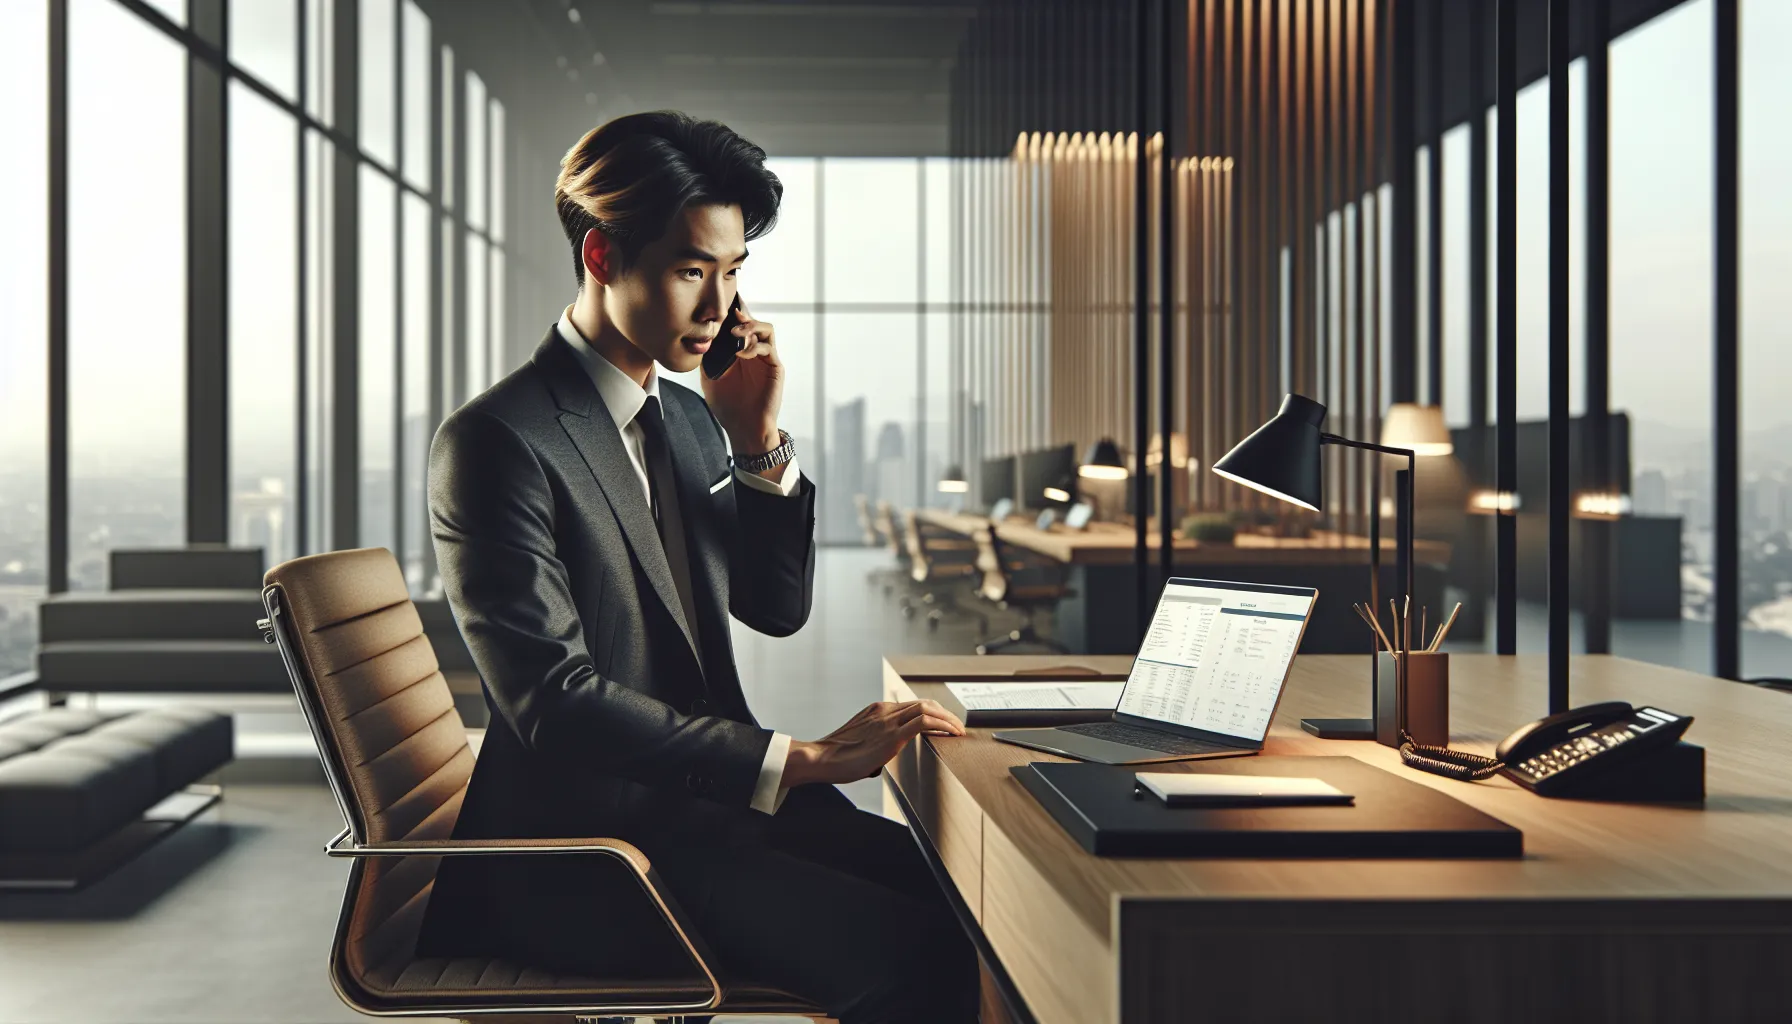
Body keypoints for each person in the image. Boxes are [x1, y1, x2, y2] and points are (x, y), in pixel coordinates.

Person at [418, 110, 981, 1024]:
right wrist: (798, 760)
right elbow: (551, 701)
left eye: (732, 274)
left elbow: (773, 606)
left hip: (714, 821)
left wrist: (756, 442)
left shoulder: (683, 419)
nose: (720, 308)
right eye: (691, 272)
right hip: (590, 856)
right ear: (602, 257)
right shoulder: (496, 440)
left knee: (974, 911)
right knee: (917, 958)